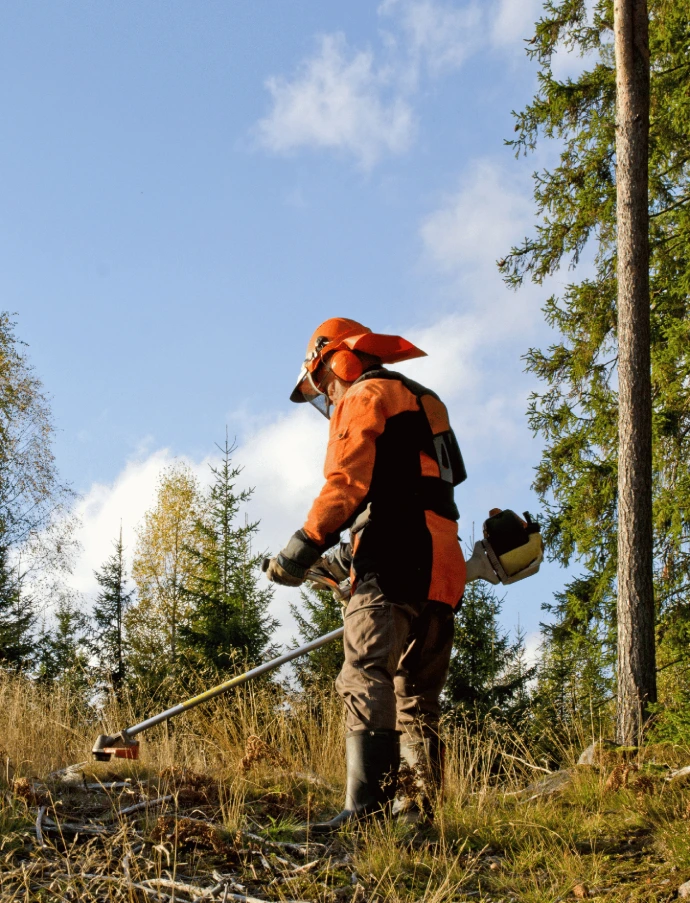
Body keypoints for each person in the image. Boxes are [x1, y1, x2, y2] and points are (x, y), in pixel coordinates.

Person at [265, 317, 467, 831]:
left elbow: (346, 484)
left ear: (338, 360)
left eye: (323, 384)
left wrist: (302, 547)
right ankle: (416, 817)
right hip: (443, 562)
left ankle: (366, 812)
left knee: (363, 672)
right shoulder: (425, 398)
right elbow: (423, 483)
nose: (327, 398)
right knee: (416, 694)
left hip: (395, 551)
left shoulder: (364, 394)